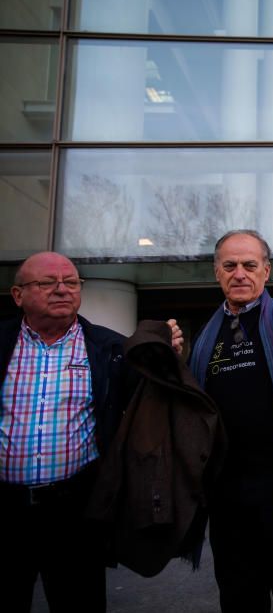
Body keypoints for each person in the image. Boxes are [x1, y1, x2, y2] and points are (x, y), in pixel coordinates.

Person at [0, 252, 180, 613]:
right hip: (5, 511)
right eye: (47, 283)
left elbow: (152, 404)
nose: (62, 290)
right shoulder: (3, 342)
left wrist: (164, 359)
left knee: (79, 602)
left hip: (76, 511)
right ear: (18, 295)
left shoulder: (110, 348)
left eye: (71, 282)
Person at [187, 205, 273, 613]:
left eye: (250, 264)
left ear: (267, 272)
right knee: (239, 599)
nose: (239, 273)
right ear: (217, 273)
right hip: (227, 498)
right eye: (229, 265)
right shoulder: (204, 338)